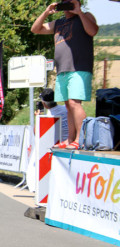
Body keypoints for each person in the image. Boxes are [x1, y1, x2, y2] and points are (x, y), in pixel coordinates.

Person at [31, 0, 99, 150]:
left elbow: (93, 31)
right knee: (68, 105)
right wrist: (46, 13)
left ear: (77, 3)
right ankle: (70, 139)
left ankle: (80, 139)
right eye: (64, 3)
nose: (66, 5)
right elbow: (35, 29)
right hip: (62, 69)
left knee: (75, 103)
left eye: (70, 2)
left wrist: (79, 12)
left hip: (78, 68)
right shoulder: (58, 23)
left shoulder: (85, 16)